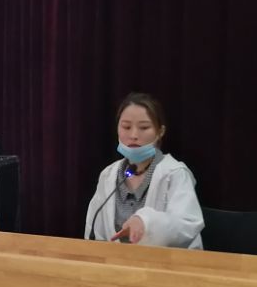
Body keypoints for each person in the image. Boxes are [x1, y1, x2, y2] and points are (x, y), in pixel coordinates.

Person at [84, 92, 204, 248]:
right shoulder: (108, 175)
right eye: (126, 127)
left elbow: (187, 224)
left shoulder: (175, 173)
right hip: (115, 261)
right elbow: (94, 230)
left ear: (160, 132)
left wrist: (145, 222)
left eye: (144, 127)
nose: (133, 135)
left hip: (164, 261)